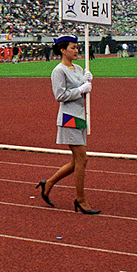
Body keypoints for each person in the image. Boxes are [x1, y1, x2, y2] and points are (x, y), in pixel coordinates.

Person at [36, 35, 100, 214]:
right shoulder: (58, 71)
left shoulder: (78, 68)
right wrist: (80, 89)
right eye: (73, 47)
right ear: (63, 50)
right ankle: (80, 200)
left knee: (76, 161)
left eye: (77, 47)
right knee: (82, 159)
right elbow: (60, 96)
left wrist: (87, 83)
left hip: (80, 116)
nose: (76, 50)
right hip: (68, 117)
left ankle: (48, 183)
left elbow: (82, 93)